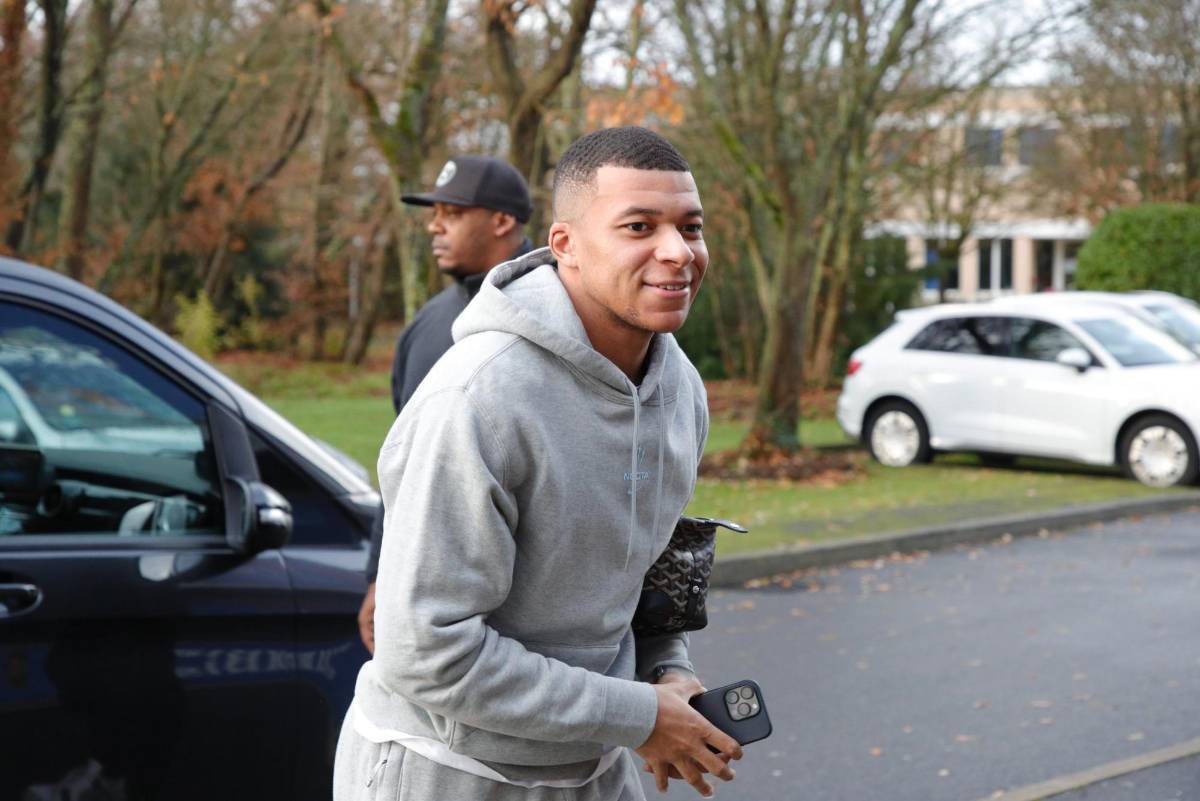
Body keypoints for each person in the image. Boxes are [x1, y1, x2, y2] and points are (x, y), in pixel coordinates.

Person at [334, 126, 742, 801]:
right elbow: (425, 652)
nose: (677, 251)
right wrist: (639, 716)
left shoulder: (679, 390)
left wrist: (666, 671)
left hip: (594, 765)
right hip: (450, 769)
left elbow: (642, 569)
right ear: (565, 245)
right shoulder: (477, 398)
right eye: (639, 226)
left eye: (690, 227)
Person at [358, 155, 534, 654]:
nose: (434, 226)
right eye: (434, 213)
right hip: (437, 604)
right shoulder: (428, 325)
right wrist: (380, 575)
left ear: (502, 221)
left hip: (538, 604)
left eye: (452, 213)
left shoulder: (562, 312)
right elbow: (403, 462)